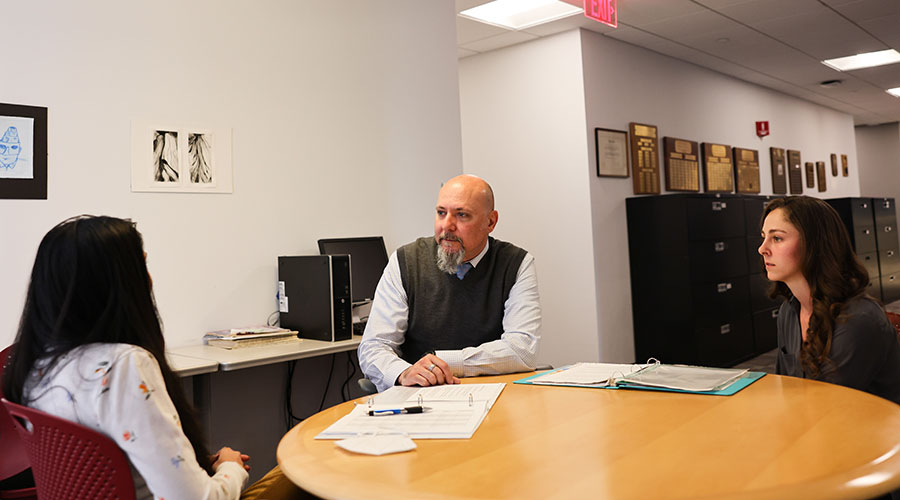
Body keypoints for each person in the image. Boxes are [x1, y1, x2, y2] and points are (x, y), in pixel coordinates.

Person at [1, 215, 305, 500]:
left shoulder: (34, 364)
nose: (149, 280)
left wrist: (194, 466)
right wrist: (231, 466)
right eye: (141, 267)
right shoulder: (123, 365)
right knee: (300, 467)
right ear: (119, 285)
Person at [358, 174, 541, 392]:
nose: (447, 225)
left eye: (462, 215)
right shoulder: (405, 261)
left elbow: (522, 350)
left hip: (492, 396)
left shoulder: (516, 263)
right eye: (441, 213)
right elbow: (373, 346)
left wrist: (445, 361)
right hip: (420, 397)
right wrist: (403, 372)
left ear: (490, 222)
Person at [758, 196, 900, 404]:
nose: (762, 249)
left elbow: (826, 406)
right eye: (763, 237)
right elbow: (786, 388)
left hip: (864, 430)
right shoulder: (789, 312)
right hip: (816, 424)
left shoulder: (857, 320)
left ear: (814, 244)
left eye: (777, 238)